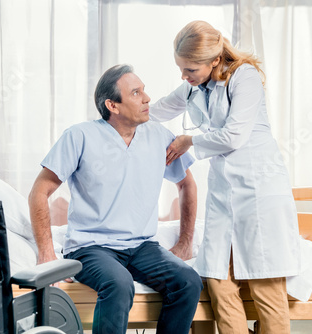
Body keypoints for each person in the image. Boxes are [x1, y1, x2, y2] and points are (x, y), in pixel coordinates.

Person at [150, 21, 300, 334]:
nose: (184, 76)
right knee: (218, 280)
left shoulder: (244, 77)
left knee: (265, 283)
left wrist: (187, 141)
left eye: (189, 69)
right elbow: (160, 109)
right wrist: (114, 117)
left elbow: (233, 136)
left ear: (215, 60)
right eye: (181, 69)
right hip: (224, 193)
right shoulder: (193, 85)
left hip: (258, 189)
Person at [29, 64, 203, 334]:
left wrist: (184, 242)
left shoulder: (158, 136)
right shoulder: (80, 136)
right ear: (113, 105)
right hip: (91, 246)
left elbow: (187, 184)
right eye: (136, 93)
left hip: (142, 246)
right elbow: (39, 192)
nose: (147, 98)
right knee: (120, 283)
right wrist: (46, 252)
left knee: (188, 281)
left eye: (144, 90)